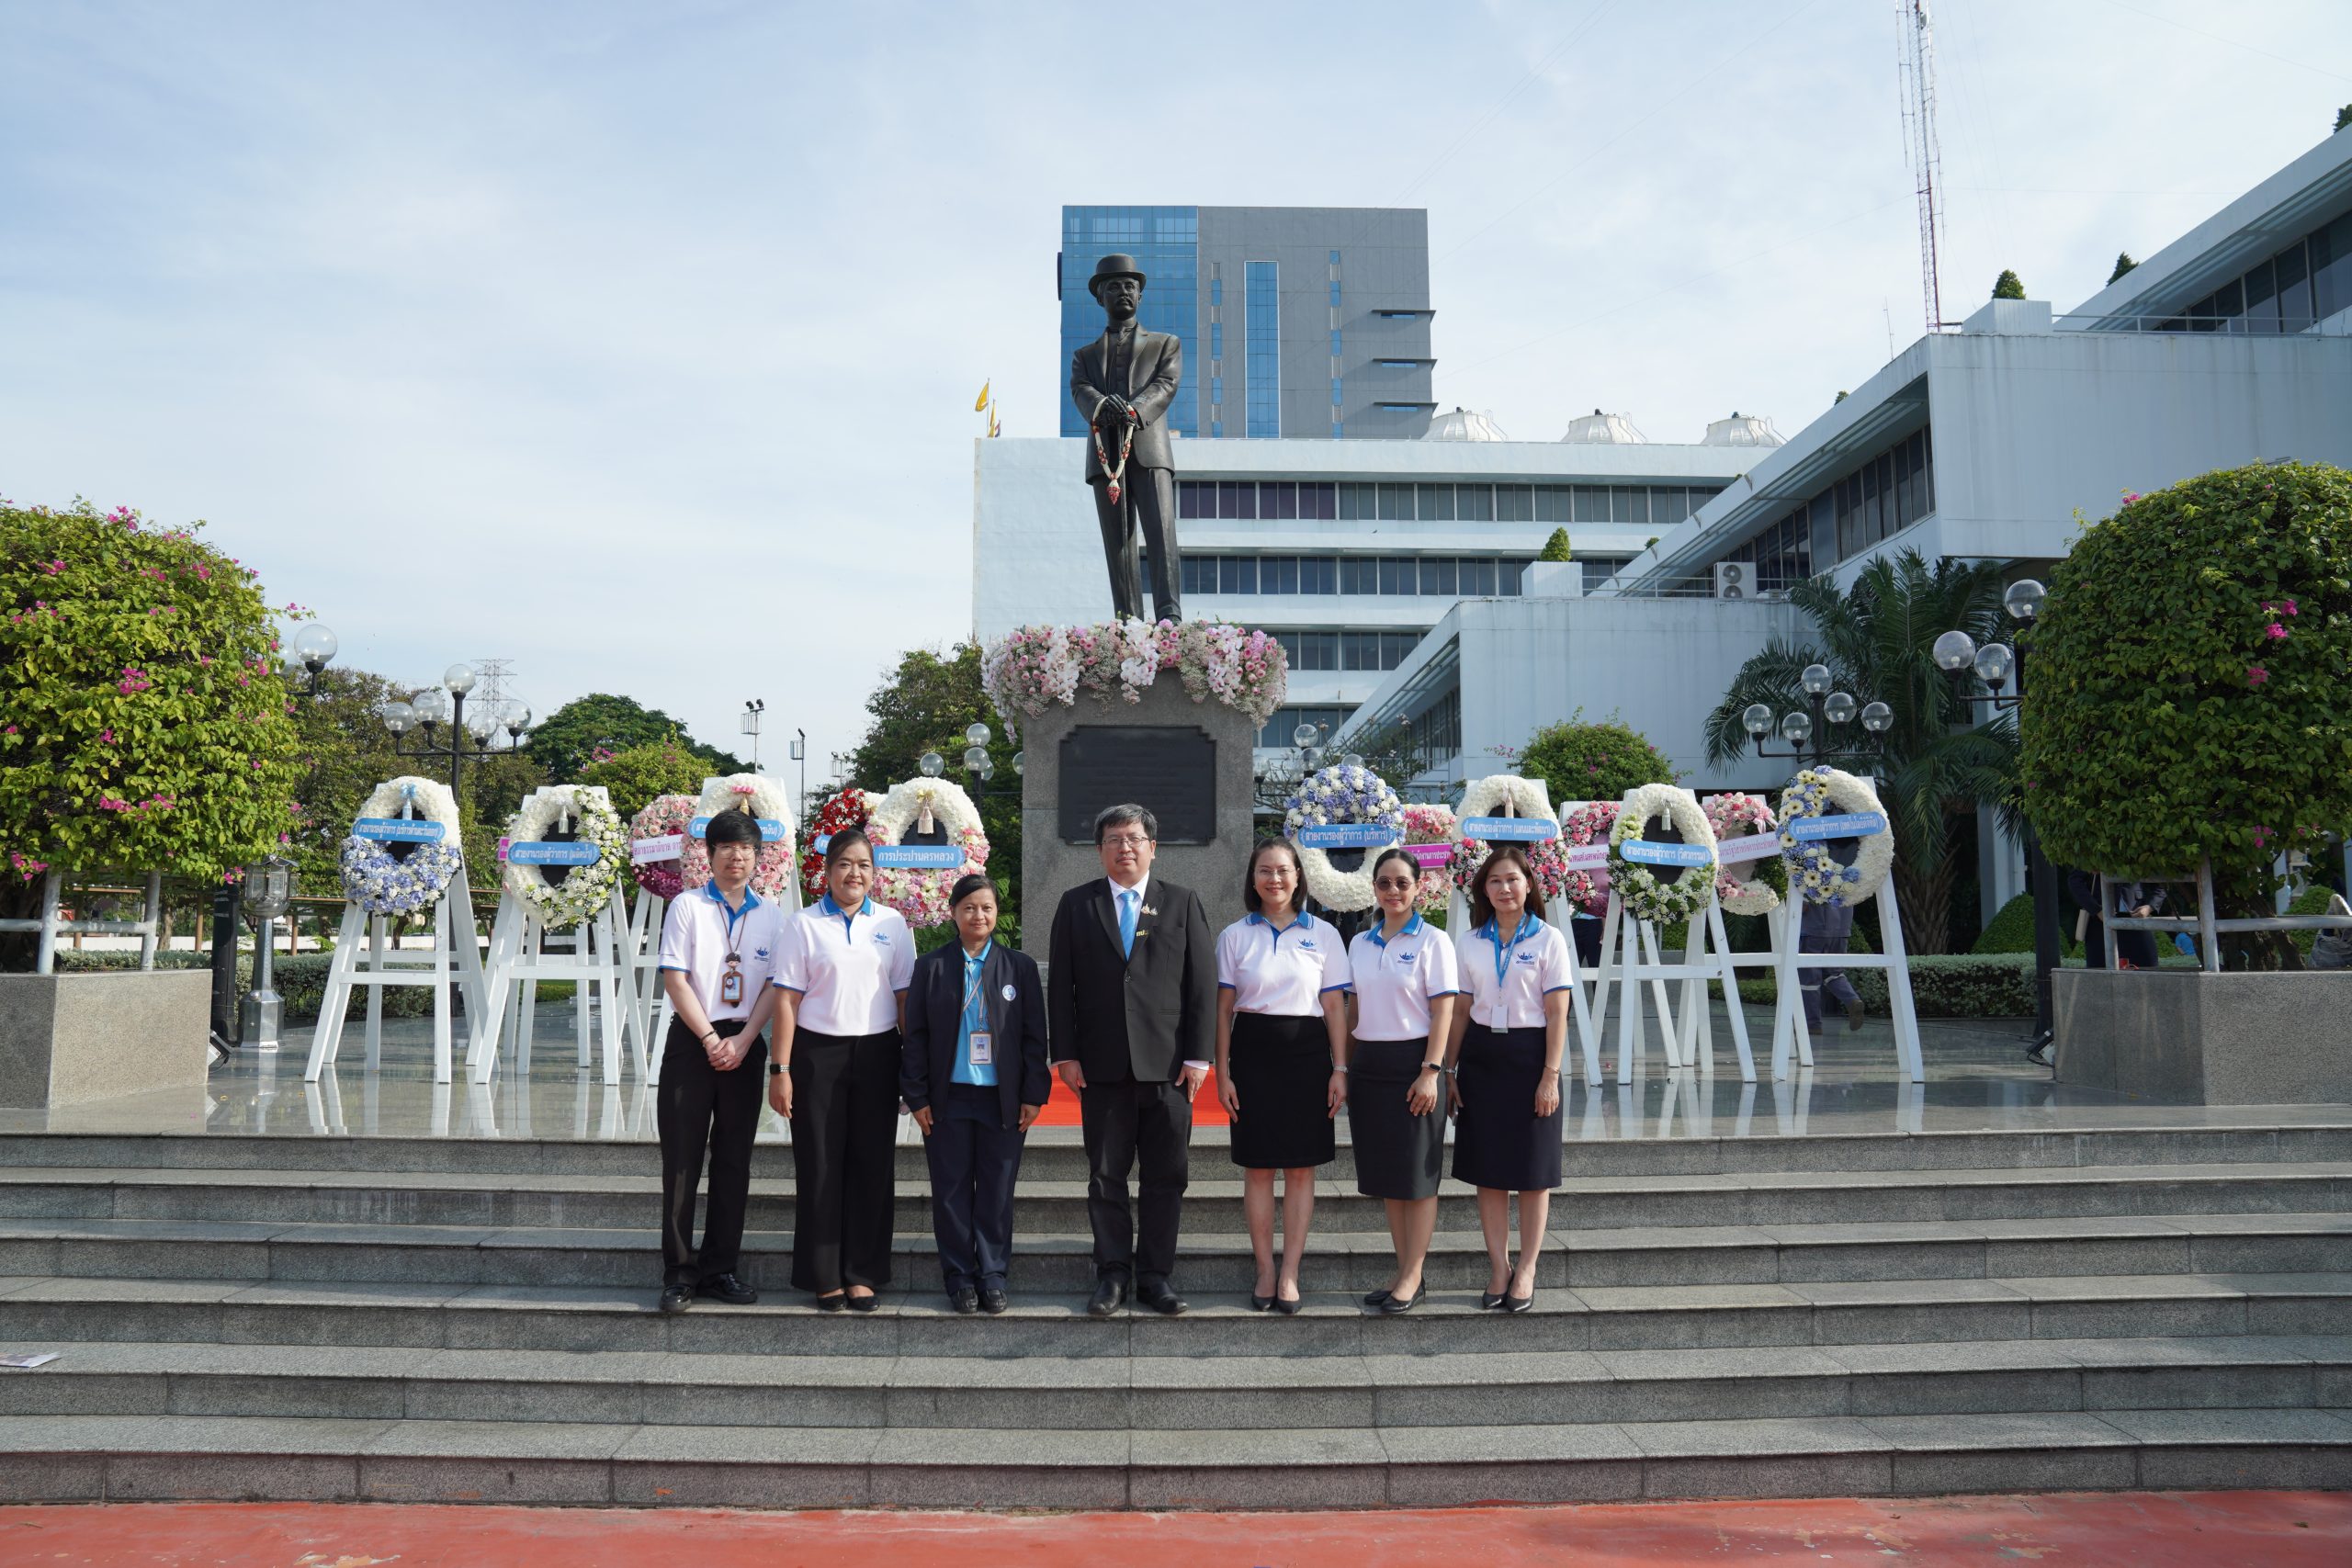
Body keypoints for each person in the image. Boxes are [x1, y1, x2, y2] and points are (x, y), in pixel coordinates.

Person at [1046, 803, 1216, 1317]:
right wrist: (1066, 1055)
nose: (1125, 847)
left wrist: (1199, 1056)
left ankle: (1156, 1276)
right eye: (1115, 839)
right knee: (1105, 1175)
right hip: (1101, 1067)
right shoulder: (1076, 905)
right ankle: (1113, 1274)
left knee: (1167, 1175)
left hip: (1168, 1067)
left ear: (1152, 847)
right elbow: (1060, 987)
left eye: (1134, 838)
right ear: (1100, 850)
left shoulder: (1182, 902)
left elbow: (1202, 985)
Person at [769, 828, 913, 1311]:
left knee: (872, 1165)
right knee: (821, 1164)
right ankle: (824, 1273)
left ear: (875, 873)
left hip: (878, 1054)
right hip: (816, 1056)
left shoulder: (893, 924)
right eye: (845, 864)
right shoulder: (803, 925)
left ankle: (862, 1272)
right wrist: (780, 1068)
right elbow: (786, 1000)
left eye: (864, 865)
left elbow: (904, 998)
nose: (855, 873)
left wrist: (912, 1067)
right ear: (827, 871)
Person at [651, 807, 786, 1314]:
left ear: (757, 857)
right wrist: (710, 1038)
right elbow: (675, 978)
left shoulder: (771, 915)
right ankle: (680, 1272)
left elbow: (775, 984)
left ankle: (721, 1267)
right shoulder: (687, 906)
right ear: (708, 855)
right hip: (693, 1040)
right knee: (682, 1160)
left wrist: (748, 1037)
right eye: (727, 847)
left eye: (746, 848)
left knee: (734, 1161)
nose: (737, 856)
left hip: (746, 1042)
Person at [900, 874, 1049, 1315]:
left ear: (996, 913)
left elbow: (1033, 1037)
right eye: (968, 908)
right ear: (952, 913)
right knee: (950, 1190)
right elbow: (917, 1037)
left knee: (997, 1190)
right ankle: (959, 1277)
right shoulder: (932, 966)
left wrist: (1033, 1093)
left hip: (1001, 1099)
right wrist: (918, 1096)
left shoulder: (1017, 967)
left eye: (986, 907)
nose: (978, 915)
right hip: (947, 1098)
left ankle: (993, 1274)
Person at [1214, 839, 1350, 1314]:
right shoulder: (1234, 936)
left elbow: (1335, 1006)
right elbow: (1224, 1009)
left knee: (1299, 1167)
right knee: (1257, 1167)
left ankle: (1290, 1269)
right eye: (1265, 871)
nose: (1275, 879)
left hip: (1308, 1056)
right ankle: (1264, 1269)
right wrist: (1223, 1073)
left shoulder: (1326, 935)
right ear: (1253, 879)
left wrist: (1339, 1067)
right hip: (1253, 1054)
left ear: (1298, 877)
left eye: (1283, 870)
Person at [1447, 846, 1570, 1314]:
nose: (1504, 888)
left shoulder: (1548, 940)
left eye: (1512, 880)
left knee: (1533, 1174)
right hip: (1482, 1059)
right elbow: (1460, 1011)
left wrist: (1550, 1076)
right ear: (1484, 889)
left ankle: (1528, 1268)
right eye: (1495, 881)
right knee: (1490, 1173)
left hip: (1531, 1057)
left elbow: (1558, 1013)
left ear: (1529, 885)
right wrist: (1451, 1069)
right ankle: (1498, 1266)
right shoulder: (1470, 941)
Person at [1344, 847, 1461, 1315]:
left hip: (1415, 1064)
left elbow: (1444, 1010)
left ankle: (1414, 1274)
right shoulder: (1359, 942)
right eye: (1384, 882)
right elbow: (1353, 1009)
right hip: (1370, 1066)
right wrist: (1344, 1066)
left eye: (1402, 883)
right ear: (1374, 887)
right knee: (1390, 1179)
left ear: (1418, 888)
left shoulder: (1434, 941)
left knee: (1418, 1176)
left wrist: (1432, 1072)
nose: (1393, 891)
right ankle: (1403, 1270)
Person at [1070, 253, 1185, 624]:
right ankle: (1128, 622)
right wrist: (1104, 406)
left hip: (1150, 450)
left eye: (1130, 286)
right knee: (1118, 543)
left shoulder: (1165, 344)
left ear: (1140, 295)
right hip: (1105, 456)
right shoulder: (1084, 356)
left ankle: (1170, 619)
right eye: (1114, 286)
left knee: (1161, 534)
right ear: (1099, 296)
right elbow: (1080, 389)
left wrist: (1134, 409)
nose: (1123, 292)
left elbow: (1166, 384)